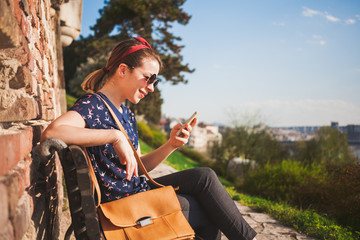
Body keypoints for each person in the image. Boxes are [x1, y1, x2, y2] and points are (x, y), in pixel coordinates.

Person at [41, 37, 257, 240]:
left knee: (205, 176)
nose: (151, 87)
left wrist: (171, 145)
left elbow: (137, 166)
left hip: (136, 191)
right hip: (122, 206)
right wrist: (115, 136)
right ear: (123, 70)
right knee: (210, 210)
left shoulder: (126, 113)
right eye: (148, 78)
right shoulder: (94, 105)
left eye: (156, 81)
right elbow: (52, 132)